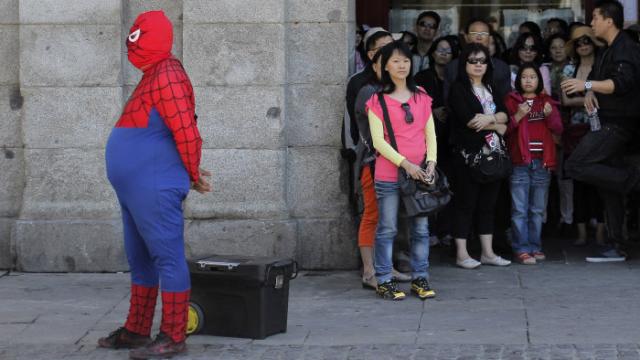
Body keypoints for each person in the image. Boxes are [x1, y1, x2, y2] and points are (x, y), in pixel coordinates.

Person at [99, 10, 211, 359]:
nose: (132, 41)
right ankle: (136, 330)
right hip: (135, 187)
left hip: (155, 182)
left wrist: (193, 174)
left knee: (167, 257)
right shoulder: (154, 74)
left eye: (138, 35)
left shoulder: (168, 75)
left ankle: (173, 335)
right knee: (141, 259)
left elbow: (186, 131)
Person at [562, 0, 640, 262]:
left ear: (609, 20)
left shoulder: (626, 48)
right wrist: (591, 91)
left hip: (617, 125)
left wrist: (586, 85)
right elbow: (601, 82)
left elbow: (620, 83)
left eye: (595, 17)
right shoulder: (608, 49)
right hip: (607, 121)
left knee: (575, 165)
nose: (591, 22)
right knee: (609, 188)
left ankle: (632, 180)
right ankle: (617, 245)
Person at [366, 41, 437, 300]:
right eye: (395, 61)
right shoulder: (377, 100)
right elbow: (378, 142)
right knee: (387, 228)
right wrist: (407, 164)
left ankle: (421, 278)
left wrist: (431, 162)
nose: (401, 65)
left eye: (405, 60)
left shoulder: (421, 96)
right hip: (389, 175)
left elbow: (430, 132)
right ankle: (384, 279)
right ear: (385, 66)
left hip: (420, 175)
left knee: (421, 230)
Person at [448, 43, 512, 269]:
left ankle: (488, 252)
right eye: (472, 60)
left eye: (482, 61)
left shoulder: (491, 87)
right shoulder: (458, 88)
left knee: (488, 205)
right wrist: (495, 122)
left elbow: (507, 115)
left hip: (493, 156)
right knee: (466, 204)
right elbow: (470, 121)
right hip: (469, 156)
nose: (477, 65)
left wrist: (489, 119)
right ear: (464, 63)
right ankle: (462, 254)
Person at [352, 41, 410, 290]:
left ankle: (384, 266)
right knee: (372, 216)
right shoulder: (369, 92)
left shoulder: (394, 91)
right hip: (373, 163)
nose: (395, 67)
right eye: (388, 63)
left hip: (396, 163)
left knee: (389, 219)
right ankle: (368, 271)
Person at [505, 64, 563, 264]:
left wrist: (549, 115)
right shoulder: (512, 100)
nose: (528, 80)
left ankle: (535, 246)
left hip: (542, 162)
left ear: (539, 80)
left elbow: (558, 128)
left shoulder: (546, 101)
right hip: (520, 161)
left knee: (537, 209)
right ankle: (521, 248)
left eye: (533, 77)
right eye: (524, 77)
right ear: (518, 81)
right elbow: (506, 129)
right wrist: (519, 115)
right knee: (520, 209)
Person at [560, 26, 606, 246]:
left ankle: (599, 232)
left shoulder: (603, 65)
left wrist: (588, 95)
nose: (583, 46)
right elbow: (565, 101)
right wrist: (591, 97)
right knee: (577, 181)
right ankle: (580, 233)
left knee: (600, 182)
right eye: (578, 43)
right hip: (576, 131)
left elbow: (609, 96)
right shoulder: (569, 69)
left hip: (600, 130)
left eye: (587, 41)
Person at [342, 28, 393, 217]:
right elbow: (350, 118)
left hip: (400, 156)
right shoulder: (358, 82)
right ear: (371, 54)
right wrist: (353, 148)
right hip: (369, 153)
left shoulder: (401, 78)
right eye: (384, 47)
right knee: (370, 211)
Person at [415, 36, 459, 244]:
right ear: (432, 53)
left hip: (450, 137)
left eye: (448, 51)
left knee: (450, 183)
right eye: (440, 50)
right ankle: (430, 230)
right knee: (428, 183)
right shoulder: (422, 77)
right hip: (427, 138)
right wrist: (432, 112)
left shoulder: (457, 76)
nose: (443, 54)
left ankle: (447, 229)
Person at [444, 19, 511, 104]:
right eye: (474, 33)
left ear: (490, 38)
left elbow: (506, 101)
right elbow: (448, 102)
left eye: (483, 33)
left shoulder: (502, 68)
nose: (479, 37)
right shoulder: (452, 67)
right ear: (466, 37)